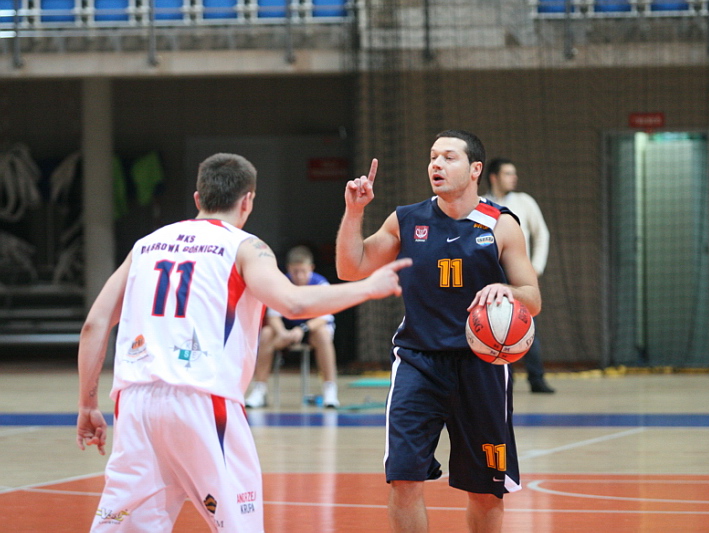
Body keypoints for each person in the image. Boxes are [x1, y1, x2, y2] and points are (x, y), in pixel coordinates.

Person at [76, 152, 410, 532]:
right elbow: (294, 303)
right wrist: (368, 287)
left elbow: (94, 325)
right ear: (248, 200)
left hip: (135, 403)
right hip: (203, 400)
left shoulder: (145, 246)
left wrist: (87, 404)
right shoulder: (244, 247)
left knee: (122, 527)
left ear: (198, 198)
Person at [336, 130, 541, 533]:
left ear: (475, 169)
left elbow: (532, 298)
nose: (436, 164)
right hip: (418, 361)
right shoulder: (406, 219)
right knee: (403, 479)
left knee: (486, 491)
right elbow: (351, 268)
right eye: (433, 157)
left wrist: (509, 291)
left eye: (449, 157)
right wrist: (354, 211)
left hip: (481, 366)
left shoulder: (501, 224)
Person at [484, 158, 555, 394]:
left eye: (514, 173)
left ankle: (537, 378)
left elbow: (542, 234)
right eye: (508, 173)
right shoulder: (481, 203)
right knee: (494, 326)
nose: (513, 178)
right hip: (492, 273)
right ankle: (504, 379)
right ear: (494, 177)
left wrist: (536, 267)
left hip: (518, 272)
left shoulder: (524, 201)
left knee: (526, 323)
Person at [245, 245, 341, 408]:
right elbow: (273, 316)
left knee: (323, 335)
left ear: (311, 268)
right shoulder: (281, 283)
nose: (299, 276)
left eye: (303, 271)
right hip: (286, 330)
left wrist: (302, 329)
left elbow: (324, 318)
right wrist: (282, 333)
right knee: (267, 334)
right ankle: (259, 390)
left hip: (310, 330)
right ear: (289, 268)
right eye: (295, 271)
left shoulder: (320, 284)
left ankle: (330, 390)